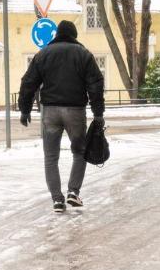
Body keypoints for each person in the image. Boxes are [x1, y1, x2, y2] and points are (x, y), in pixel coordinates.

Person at [18, 20, 105, 213]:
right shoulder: (84, 54)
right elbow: (96, 84)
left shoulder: (43, 54)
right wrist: (98, 113)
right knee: (79, 153)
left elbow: (28, 82)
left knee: (50, 157)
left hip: (50, 112)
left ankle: (57, 200)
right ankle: (73, 192)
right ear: (74, 36)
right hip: (75, 111)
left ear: (57, 35)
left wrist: (24, 109)